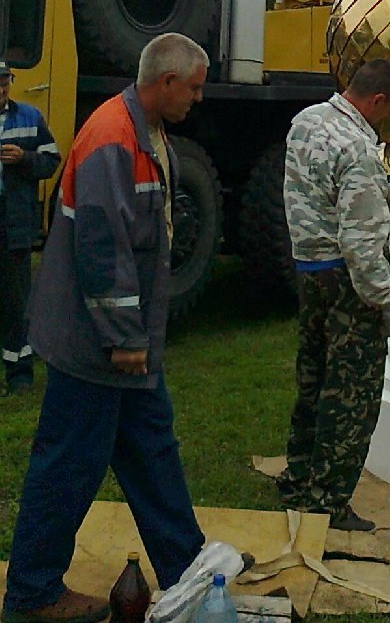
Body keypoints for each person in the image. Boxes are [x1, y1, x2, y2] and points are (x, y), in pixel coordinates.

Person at [1, 34, 210, 623]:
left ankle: (187, 566)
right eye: (193, 88)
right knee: (68, 465)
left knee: (152, 452)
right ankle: (32, 594)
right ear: (165, 82)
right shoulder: (112, 138)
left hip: (123, 340)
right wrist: (123, 337)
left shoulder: (146, 132)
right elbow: (100, 245)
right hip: (95, 344)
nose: (198, 98)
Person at [277, 57, 390, 532]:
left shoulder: (307, 122)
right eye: (389, 110)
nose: (387, 119)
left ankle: (297, 480)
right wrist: (389, 305)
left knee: (313, 380)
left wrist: (382, 192)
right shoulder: (360, 149)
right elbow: (362, 248)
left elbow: (320, 192)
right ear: (377, 100)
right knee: (351, 396)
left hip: (310, 271)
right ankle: (328, 502)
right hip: (348, 286)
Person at [0, 62, 61, 395]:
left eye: (5, 82)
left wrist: (24, 158)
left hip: (15, 222)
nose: (1, 89)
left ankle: (19, 372)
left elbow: (51, 160)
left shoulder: (30, 116)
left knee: (16, 300)